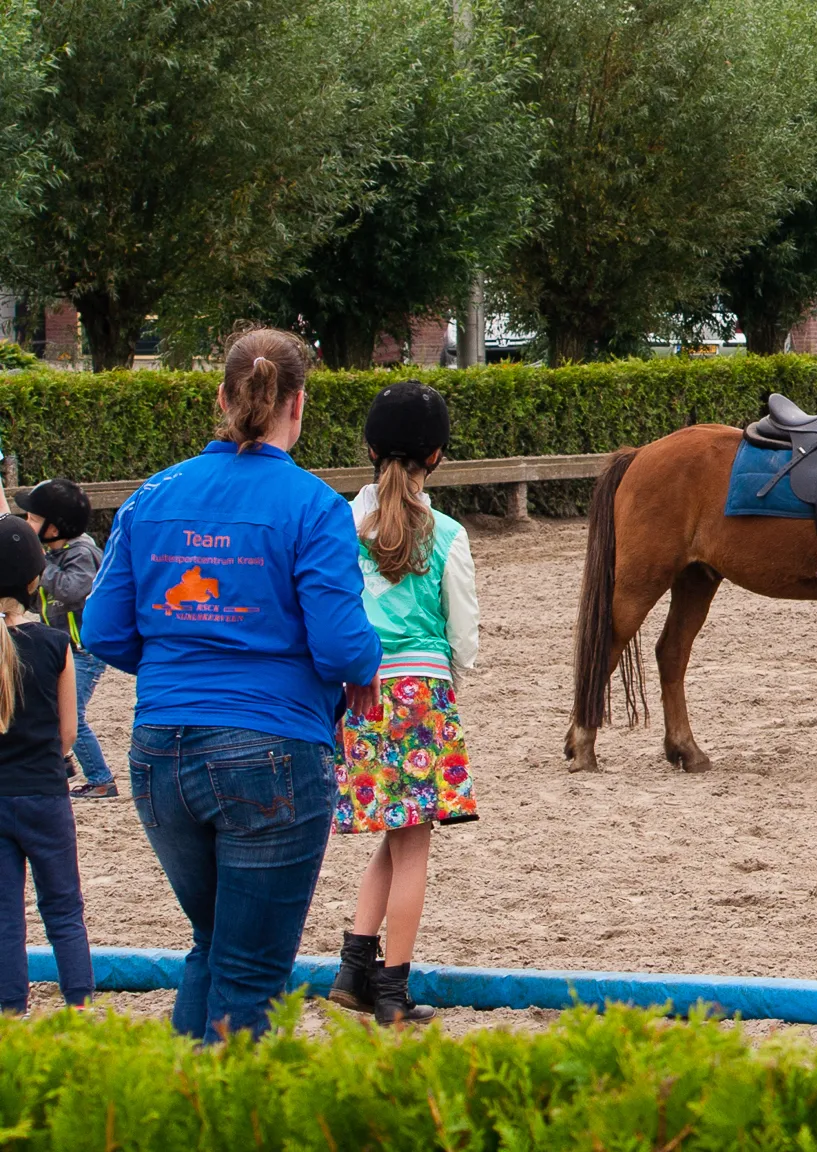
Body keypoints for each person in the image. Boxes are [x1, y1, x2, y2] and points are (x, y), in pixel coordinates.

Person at [82, 327, 383, 1041]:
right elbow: (343, 646)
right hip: (273, 748)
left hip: (160, 748)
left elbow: (101, 630)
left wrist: (178, 662)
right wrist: (364, 667)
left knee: (212, 946)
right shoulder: (313, 506)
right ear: (298, 407)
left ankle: (178, 1110)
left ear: (222, 397)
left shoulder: (153, 496)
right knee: (251, 972)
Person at [327, 381, 477, 1027]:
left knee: (394, 836)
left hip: (360, 693)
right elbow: (463, 636)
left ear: (369, 446)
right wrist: (449, 675)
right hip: (421, 694)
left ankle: (352, 967)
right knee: (414, 848)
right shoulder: (446, 533)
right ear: (436, 455)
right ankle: (392, 990)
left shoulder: (341, 525)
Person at [0, 514, 92, 1014]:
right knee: (63, 909)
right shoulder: (55, 645)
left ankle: (10, 1012)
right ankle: (79, 1004)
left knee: (5, 917)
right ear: (36, 580)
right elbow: (68, 734)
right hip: (44, 793)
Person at [18, 480, 112, 798]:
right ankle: (65, 763)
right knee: (54, 709)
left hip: (83, 649)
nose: (27, 523)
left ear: (55, 527)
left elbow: (72, 590)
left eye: (32, 518)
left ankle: (101, 780)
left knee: (73, 714)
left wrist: (40, 567)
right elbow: (39, 601)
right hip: (63, 648)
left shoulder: (81, 552)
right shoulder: (53, 553)